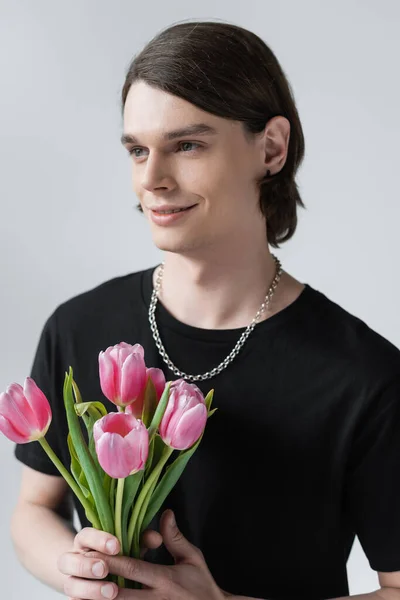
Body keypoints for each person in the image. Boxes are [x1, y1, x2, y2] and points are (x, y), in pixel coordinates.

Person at [10, 19, 400, 600]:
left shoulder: (365, 376)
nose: (152, 179)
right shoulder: (79, 326)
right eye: (138, 149)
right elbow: (33, 509)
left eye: (186, 145)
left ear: (270, 147)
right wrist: (77, 569)